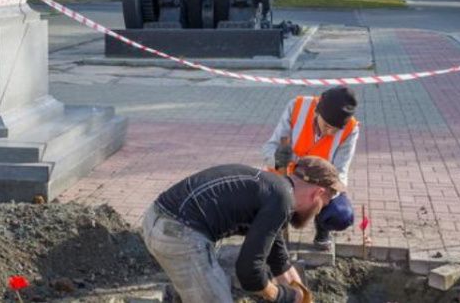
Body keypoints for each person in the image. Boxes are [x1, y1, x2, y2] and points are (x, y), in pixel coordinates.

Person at [142, 157, 342, 302]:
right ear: (318, 193)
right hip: (178, 234)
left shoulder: (276, 190)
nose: (319, 211)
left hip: (159, 220)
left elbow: (278, 257)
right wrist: (282, 297)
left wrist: (302, 295)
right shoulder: (281, 200)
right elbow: (249, 273)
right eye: (323, 204)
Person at [261, 86, 359, 250]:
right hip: (286, 177)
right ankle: (276, 236)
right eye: (327, 125)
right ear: (317, 112)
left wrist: (322, 194)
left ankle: (323, 229)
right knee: (268, 206)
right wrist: (286, 166)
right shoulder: (297, 107)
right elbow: (269, 149)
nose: (330, 132)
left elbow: (341, 172)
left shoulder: (351, 129)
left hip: (319, 185)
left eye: (335, 129)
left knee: (341, 215)